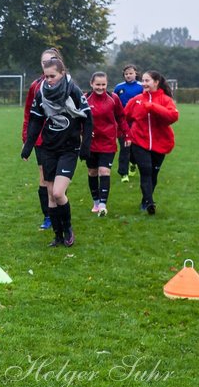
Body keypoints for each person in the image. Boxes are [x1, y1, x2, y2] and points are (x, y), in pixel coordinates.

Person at [21, 57, 93, 247]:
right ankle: (58, 236)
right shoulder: (41, 92)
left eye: (52, 76)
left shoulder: (74, 91)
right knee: (51, 195)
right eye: (46, 76)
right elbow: (35, 120)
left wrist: (86, 146)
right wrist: (28, 146)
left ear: (62, 74)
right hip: (49, 148)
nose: (49, 80)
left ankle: (68, 228)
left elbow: (87, 118)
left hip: (69, 149)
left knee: (59, 193)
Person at [123, 70, 179, 215]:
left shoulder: (165, 100)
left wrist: (152, 107)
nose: (144, 83)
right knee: (146, 171)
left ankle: (145, 201)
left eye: (147, 80)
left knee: (153, 174)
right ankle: (149, 202)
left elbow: (173, 116)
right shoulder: (136, 100)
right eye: (143, 80)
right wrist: (127, 135)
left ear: (156, 82)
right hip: (139, 142)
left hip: (161, 143)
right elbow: (124, 118)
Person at [22, 48, 62, 229]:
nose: (47, 64)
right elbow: (28, 114)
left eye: (51, 60)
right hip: (41, 140)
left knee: (59, 179)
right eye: (44, 62)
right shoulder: (35, 86)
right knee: (45, 178)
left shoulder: (67, 84)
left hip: (62, 139)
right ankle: (48, 216)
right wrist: (26, 137)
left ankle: (60, 212)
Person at [85, 72, 125, 217]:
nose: (100, 87)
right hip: (91, 143)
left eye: (103, 84)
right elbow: (79, 119)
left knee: (104, 171)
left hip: (108, 142)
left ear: (107, 84)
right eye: (98, 84)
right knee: (92, 172)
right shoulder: (85, 99)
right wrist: (85, 133)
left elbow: (121, 117)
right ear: (92, 84)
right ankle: (95, 202)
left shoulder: (113, 98)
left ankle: (103, 205)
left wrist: (126, 134)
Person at [113, 64, 143, 182]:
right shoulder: (119, 87)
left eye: (131, 73)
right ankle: (123, 173)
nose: (128, 75)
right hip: (122, 122)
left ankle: (133, 163)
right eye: (126, 74)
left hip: (137, 121)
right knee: (124, 148)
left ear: (136, 73)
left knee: (135, 148)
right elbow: (113, 102)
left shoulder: (141, 87)